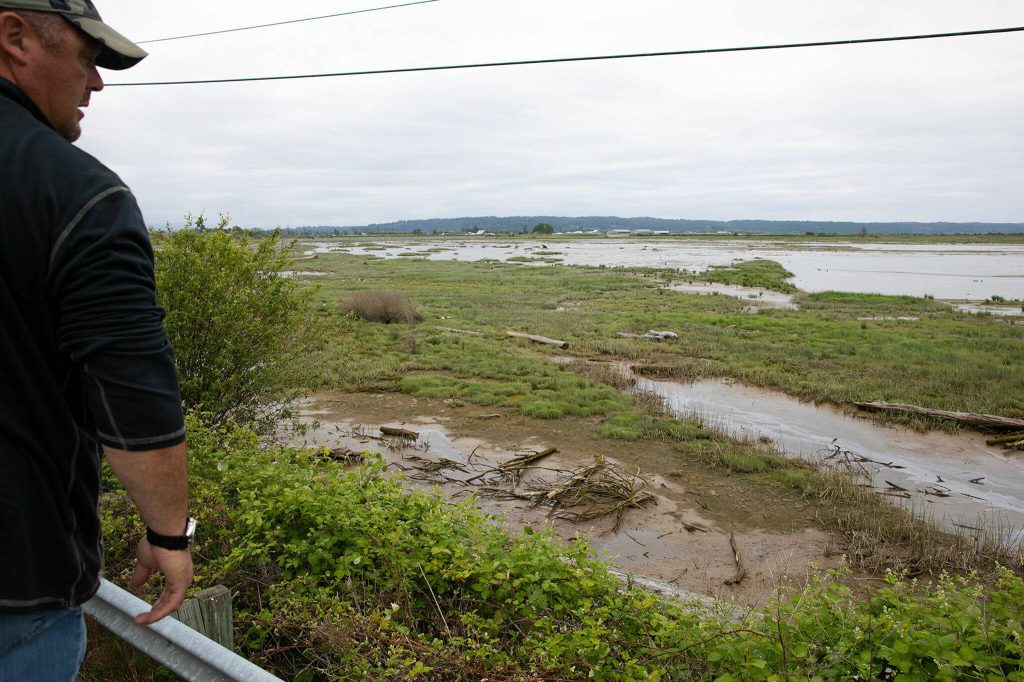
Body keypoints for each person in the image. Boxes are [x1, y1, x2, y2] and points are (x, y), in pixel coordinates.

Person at [0, 1, 193, 679]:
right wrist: (170, 533)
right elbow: (132, 390)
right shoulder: (77, 192)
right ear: (15, 36)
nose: (97, 83)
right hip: (16, 587)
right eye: (87, 57)